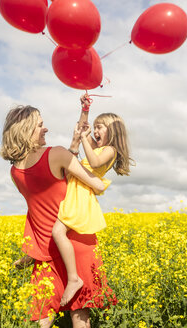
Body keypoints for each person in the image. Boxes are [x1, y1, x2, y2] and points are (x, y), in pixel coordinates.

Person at [0, 104, 116, 328]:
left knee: (44, 314)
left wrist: (31, 253)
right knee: (79, 313)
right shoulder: (57, 154)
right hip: (75, 241)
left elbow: (38, 208)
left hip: (44, 247)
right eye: (40, 125)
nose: (45, 129)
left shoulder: (15, 172)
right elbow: (95, 184)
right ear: (26, 130)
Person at [53, 94, 133, 306]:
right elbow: (81, 128)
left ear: (113, 131)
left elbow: (94, 162)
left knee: (58, 231)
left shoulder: (109, 150)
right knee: (53, 229)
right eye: (95, 127)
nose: (95, 131)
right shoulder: (96, 146)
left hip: (81, 196)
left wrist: (85, 140)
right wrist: (85, 110)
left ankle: (73, 279)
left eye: (100, 127)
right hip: (73, 190)